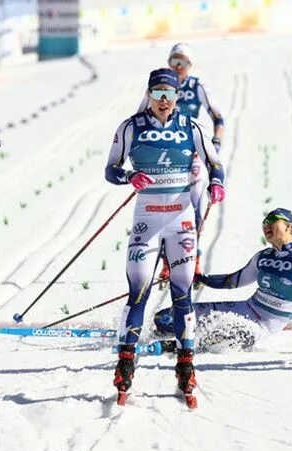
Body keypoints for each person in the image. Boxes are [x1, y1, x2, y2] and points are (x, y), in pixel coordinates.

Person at [106, 67, 225, 404]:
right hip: (146, 222)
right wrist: (128, 176)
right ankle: (125, 365)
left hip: (181, 221)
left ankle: (186, 368)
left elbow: (216, 164)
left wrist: (216, 183)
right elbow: (110, 169)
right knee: (138, 291)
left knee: (182, 293)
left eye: (168, 94)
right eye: (156, 93)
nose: (162, 100)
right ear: (149, 94)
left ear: (177, 97)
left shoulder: (190, 126)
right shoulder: (131, 127)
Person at [153, 209, 292, 351]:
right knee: (165, 317)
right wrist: (201, 278)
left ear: (289, 227)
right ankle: (176, 337)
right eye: (264, 223)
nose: (266, 226)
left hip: (264, 325)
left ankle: (176, 347)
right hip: (246, 308)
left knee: (216, 334)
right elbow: (233, 281)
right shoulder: (263, 256)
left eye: (272, 221)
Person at [138, 43, 225, 279]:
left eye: (183, 62)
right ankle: (168, 263)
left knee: (193, 209)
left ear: (190, 65)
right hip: (163, 159)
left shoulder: (197, 86)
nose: (178, 66)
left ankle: (194, 260)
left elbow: (218, 117)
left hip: (192, 155)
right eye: (174, 61)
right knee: (166, 207)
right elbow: (139, 119)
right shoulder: (158, 88)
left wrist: (214, 144)